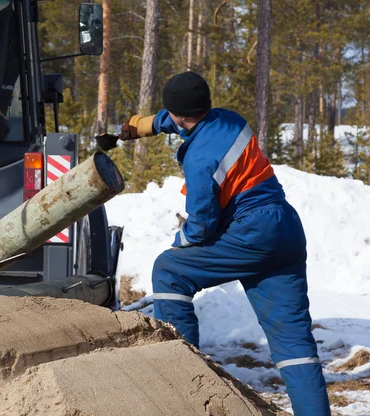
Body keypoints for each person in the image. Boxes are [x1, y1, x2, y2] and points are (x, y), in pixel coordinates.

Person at [118, 71, 330, 416]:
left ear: (181, 114)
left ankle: (179, 381)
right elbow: (180, 121)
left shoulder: (200, 159)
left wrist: (179, 242)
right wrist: (144, 125)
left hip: (251, 232)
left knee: (169, 269)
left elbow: (201, 226)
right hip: (285, 231)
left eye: (169, 112)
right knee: (295, 347)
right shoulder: (229, 120)